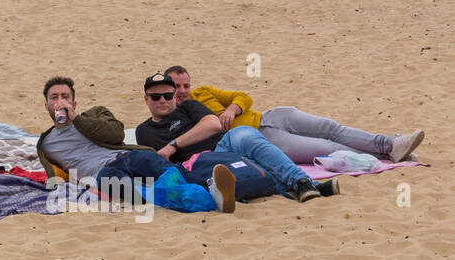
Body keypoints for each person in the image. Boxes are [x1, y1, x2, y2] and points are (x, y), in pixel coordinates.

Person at [35, 76, 238, 213]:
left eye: (65, 97)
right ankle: (207, 200)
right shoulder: (46, 143)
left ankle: (211, 190)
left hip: (128, 156)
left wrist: (76, 119)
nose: (60, 101)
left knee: (170, 172)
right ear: (46, 105)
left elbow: (115, 134)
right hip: (102, 174)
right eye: (54, 98)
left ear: (74, 103)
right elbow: (56, 173)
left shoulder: (95, 114)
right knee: (142, 193)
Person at [135, 73, 336, 202]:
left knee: (244, 134)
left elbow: (212, 125)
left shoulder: (188, 107)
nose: (163, 100)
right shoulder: (143, 131)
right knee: (255, 169)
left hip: (224, 146)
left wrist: (174, 144)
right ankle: (311, 186)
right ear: (146, 99)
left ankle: (302, 182)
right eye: (155, 97)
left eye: (168, 96)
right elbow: (159, 163)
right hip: (200, 164)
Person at [164, 66, 423, 165]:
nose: (183, 91)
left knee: (332, 127)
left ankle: (389, 144)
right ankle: (385, 156)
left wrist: (233, 108)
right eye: (177, 87)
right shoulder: (177, 120)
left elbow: (243, 96)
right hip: (263, 140)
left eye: (186, 85)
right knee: (328, 147)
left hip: (272, 117)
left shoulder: (203, 92)